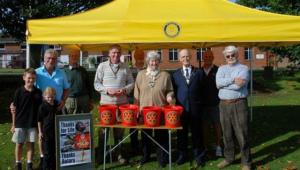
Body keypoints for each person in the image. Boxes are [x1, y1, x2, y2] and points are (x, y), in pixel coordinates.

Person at [94, 44, 134, 164]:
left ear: (120, 54)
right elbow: (96, 83)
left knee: (119, 131)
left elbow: (132, 82)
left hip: (122, 105)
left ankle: (119, 154)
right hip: (106, 105)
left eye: (118, 52)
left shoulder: (125, 67)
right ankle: (100, 155)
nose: (116, 55)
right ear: (109, 54)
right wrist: (107, 90)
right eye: (113, 52)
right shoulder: (102, 66)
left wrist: (124, 90)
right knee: (103, 132)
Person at [134, 51, 174, 168]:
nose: (154, 63)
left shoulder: (165, 75)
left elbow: (170, 90)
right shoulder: (141, 74)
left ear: (159, 62)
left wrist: (169, 96)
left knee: (161, 135)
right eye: (152, 60)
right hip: (144, 112)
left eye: (156, 60)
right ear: (148, 62)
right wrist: (137, 109)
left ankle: (162, 158)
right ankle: (146, 156)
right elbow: (137, 93)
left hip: (160, 111)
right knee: (146, 136)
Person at [216, 45, 251, 170]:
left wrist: (224, 83)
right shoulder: (221, 68)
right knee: (227, 134)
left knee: (242, 133)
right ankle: (229, 158)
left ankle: (246, 162)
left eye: (233, 55)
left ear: (237, 55)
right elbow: (218, 84)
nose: (230, 57)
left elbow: (239, 86)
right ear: (225, 57)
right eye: (228, 56)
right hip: (224, 104)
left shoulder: (244, 68)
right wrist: (232, 80)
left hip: (239, 103)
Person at [172, 49, 205, 167]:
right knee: (182, 134)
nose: (185, 59)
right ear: (180, 59)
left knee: (197, 133)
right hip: (181, 109)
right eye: (183, 57)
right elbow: (174, 92)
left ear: (190, 57)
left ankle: (199, 156)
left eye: (187, 56)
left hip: (196, 109)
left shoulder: (199, 72)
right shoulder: (175, 75)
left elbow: (203, 90)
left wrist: (201, 105)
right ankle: (182, 155)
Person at [10, 68, 43, 170]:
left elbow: (40, 110)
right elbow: (14, 109)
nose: (31, 80)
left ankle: (29, 164)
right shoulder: (19, 92)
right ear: (24, 78)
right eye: (29, 78)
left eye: (33, 78)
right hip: (20, 123)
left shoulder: (38, 92)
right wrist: (13, 124)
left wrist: (39, 126)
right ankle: (18, 163)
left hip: (32, 123)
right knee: (19, 144)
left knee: (30, 144)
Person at [201, 49, 223, 157]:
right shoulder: (199, 71)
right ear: (203, 58)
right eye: (206, 57)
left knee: (216, 126)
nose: (208, 59)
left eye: (210, 57)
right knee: (204, 127)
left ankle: (218, 146)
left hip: (215, 104)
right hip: (203, 105)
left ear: (213, 58)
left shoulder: (218, 70)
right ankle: (205, 147)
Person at [63, 49, 93, 114]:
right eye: (72, 56)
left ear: (79, 57)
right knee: (69, 120)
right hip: (70, 100)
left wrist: (90, 100)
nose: (74, 57)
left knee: (84, 120)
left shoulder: (83, 70)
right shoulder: (64, 71)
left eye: (76, 56)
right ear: (69, 57)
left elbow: (88, 85)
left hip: (84, 99)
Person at [37, 87, 59, 170]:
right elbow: (39, 120)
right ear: (44, 97)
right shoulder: (42, 106)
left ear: (54, 96)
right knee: (47, 152)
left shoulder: (57, 104)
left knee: (54, 150)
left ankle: (53, 166)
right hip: (46, 132)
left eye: (52, 97)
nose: (50, 99)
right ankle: (46, 167)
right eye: (48, 97)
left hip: (55, 131)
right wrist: (40, 132)